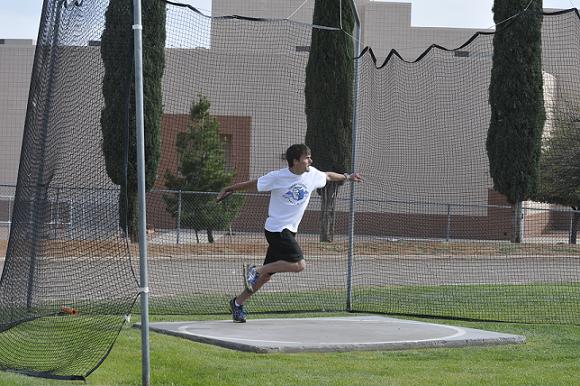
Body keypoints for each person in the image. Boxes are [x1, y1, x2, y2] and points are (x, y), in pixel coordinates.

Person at [216, 144, 363, 323]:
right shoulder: (278, 177)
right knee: (299, 265)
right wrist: (230, 188)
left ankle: (238, 303)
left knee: (265, 278)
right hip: (277, 229)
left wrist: (348, 176)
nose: (310, 160)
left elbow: (329, 175)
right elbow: (254, 184)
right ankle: (255, 270)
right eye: (306, 157)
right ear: (295, 161)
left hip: (289, 231)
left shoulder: (312, 174)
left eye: (310, 157)